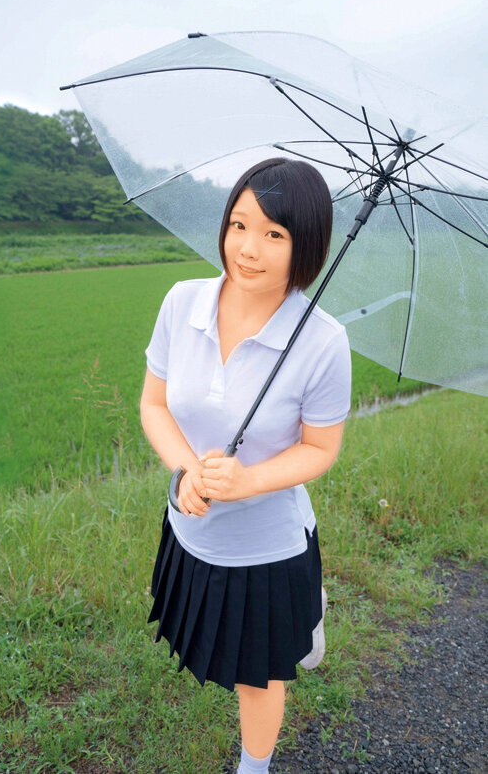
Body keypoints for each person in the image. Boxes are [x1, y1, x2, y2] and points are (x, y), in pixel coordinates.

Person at [140, 157, 351, 774]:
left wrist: (248, 480)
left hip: (267, 545)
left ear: (305, 244)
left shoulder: (322, 341)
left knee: (258, 675)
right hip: (192, 525)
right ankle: (302, 616)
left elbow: (321, 448)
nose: (248, 249)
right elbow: (154, 404)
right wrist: (187, 473)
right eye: (239, 225)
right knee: (211, 644)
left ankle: (253, 768)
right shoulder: (182, 302)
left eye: (273, 233)